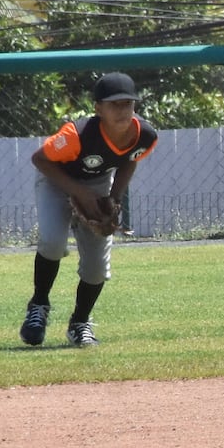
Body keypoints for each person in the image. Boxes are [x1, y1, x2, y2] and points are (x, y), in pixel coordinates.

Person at [19, 72, 158, 348]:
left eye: (127, 104)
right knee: (52, 241)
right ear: (98, 108)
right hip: (55, 178)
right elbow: (40, 159)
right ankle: (39, 305)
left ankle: (80, 323)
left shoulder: (145, 134)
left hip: (97, 183)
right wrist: (80, 192)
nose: (122, 110)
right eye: (114, 104)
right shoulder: (76, 134)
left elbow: (130, 159)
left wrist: (114, 197)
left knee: (97, 267)